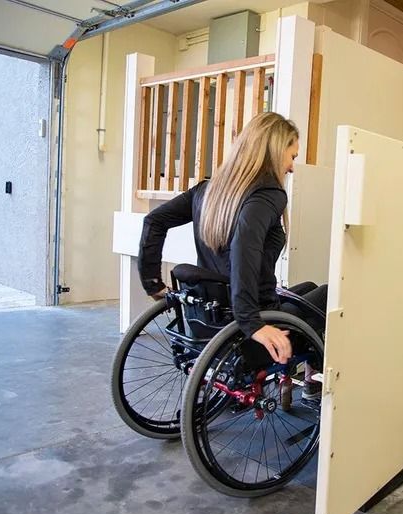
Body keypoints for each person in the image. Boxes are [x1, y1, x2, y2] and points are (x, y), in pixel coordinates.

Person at [137, 112, 326, 396]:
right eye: (292, 156)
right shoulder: (268, 194)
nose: (291, 167)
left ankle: (307, 375)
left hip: (212, 316)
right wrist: (252, 322)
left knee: (307, 289)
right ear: (275, 152)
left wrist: (152, 282)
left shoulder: (208, 190)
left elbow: (154, 220)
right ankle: (313, 383)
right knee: (327, 294)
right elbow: (244, 248)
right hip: (249, 321)